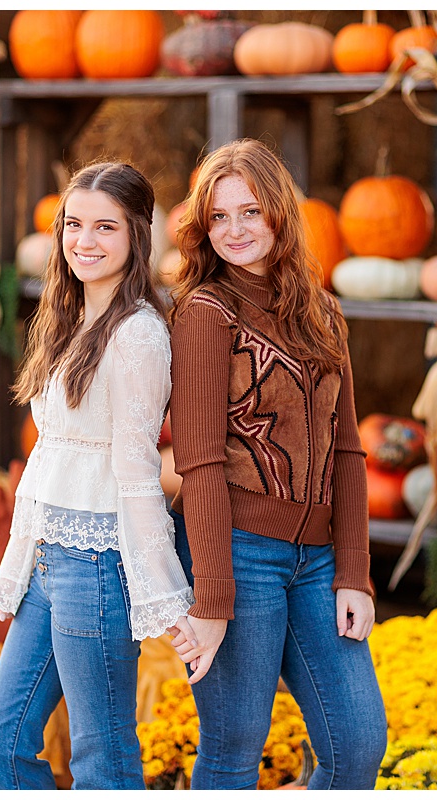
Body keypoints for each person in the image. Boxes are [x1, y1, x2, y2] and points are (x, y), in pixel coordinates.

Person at [167, 138, 384, 789]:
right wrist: (211, 593)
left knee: (357, 747)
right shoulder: (206, 313)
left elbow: (346, 449)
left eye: (250, 212)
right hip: (237, 552)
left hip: (318, 562)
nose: (235, 229)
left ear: (280, 215)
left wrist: (354, 570)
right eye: (219, 217)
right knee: (233, 751)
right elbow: (199, 462)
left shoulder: (325, 314)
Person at [0, 161, 196, 790]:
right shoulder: (67, 319)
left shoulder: (138, 336)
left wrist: (163, 591)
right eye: (74, 224)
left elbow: (137, 473)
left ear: (137, 236)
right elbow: (53, 457)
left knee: (103, 756)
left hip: (99, 564)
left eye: (106, 227)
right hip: (52, 555)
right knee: (1, 745)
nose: (85, 241)